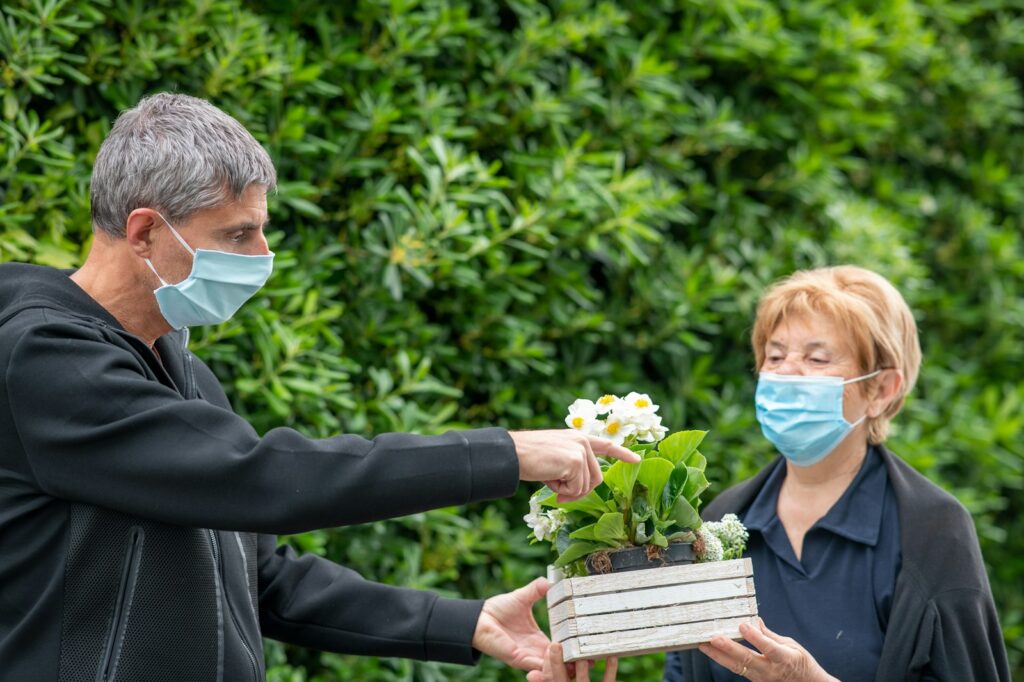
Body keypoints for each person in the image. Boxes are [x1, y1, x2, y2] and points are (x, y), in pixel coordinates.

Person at [0, 93, 642, 682]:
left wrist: (464, 622)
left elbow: (261, 578)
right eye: (236, 234)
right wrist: (503, 452)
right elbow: (262, 479)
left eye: (261, 229)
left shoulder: (181, 372)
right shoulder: (47, 359)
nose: (261, 256)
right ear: (143, 232)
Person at [664, 266, 1010, 681]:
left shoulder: (932, 531)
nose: (787, 371)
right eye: (774, 356)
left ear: (881, 390)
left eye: (816, 358)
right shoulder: (720, 525)